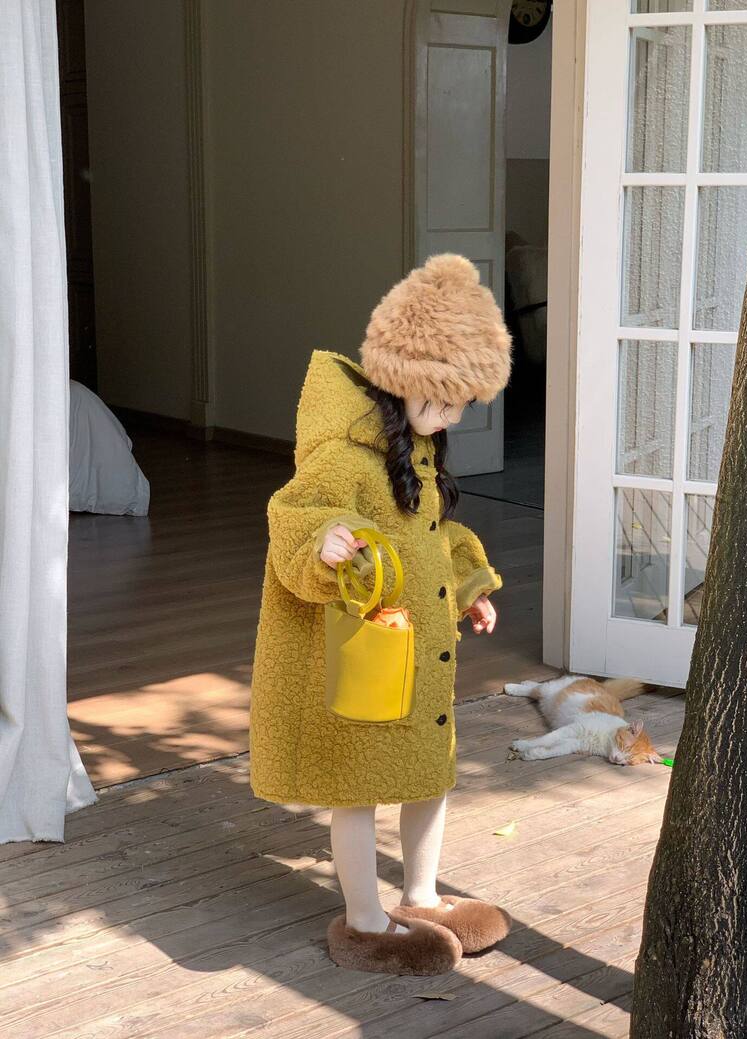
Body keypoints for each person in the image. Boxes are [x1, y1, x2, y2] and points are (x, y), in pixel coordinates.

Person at [250, 253, 513, 975]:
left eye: (464, 403)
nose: (454, 416)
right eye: (448, 399)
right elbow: (296, 512)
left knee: (429, 772)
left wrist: (469, 586)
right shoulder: (346, 454)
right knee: (360, 786)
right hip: (370, 655)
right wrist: (326, 539)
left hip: (418, 653)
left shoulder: (416, 450)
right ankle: (364, 920)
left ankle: (421, 896)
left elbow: (431, 537)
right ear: (407, 377)